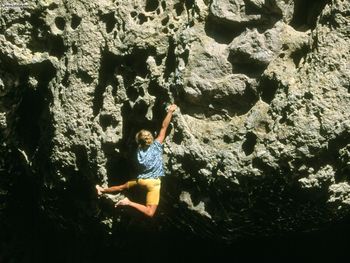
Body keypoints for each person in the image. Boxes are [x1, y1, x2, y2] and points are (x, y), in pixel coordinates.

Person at [96, 104, 177, 217]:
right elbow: (164, 127)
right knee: (150, 212)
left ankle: (102, 190)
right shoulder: (156, 146)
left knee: (122, 187)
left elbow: (141, 141)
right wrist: (170, 112)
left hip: (141, 180)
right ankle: (128, 202)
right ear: (151, 138)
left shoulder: (139, 152)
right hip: (152, 183)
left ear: (139, 142)